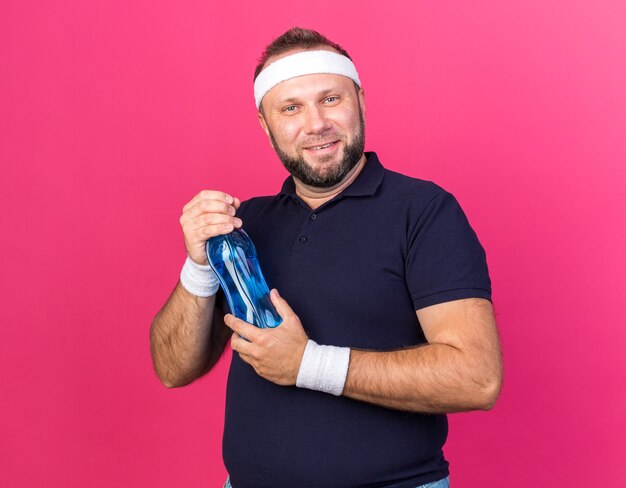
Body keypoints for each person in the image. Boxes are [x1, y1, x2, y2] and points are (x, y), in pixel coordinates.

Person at [150, 27, 502, 488]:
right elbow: (174, 370)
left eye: (330, 99)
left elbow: (477, 378)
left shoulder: (424, 212)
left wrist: (308, 365)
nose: (316, 124)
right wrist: (198, 267)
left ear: (359, 99)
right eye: (291, 108)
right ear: (265, 124)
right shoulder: (244, 226)